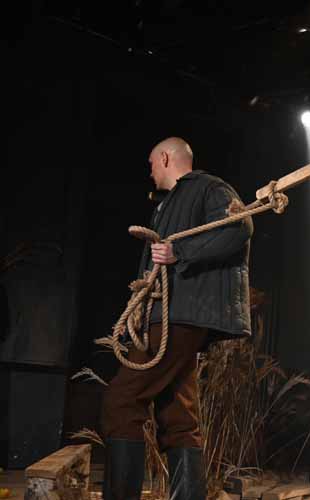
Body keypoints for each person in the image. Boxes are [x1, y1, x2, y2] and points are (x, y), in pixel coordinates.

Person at [100, 137, 253, 500]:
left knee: (122, 400)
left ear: (166, 158)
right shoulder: (168, 203)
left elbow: (239, 227)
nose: (150, 172)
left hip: (183, 314)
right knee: (178, 415)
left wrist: (179, 252)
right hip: (172, 313)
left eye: (152, 163)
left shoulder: (209, 187)